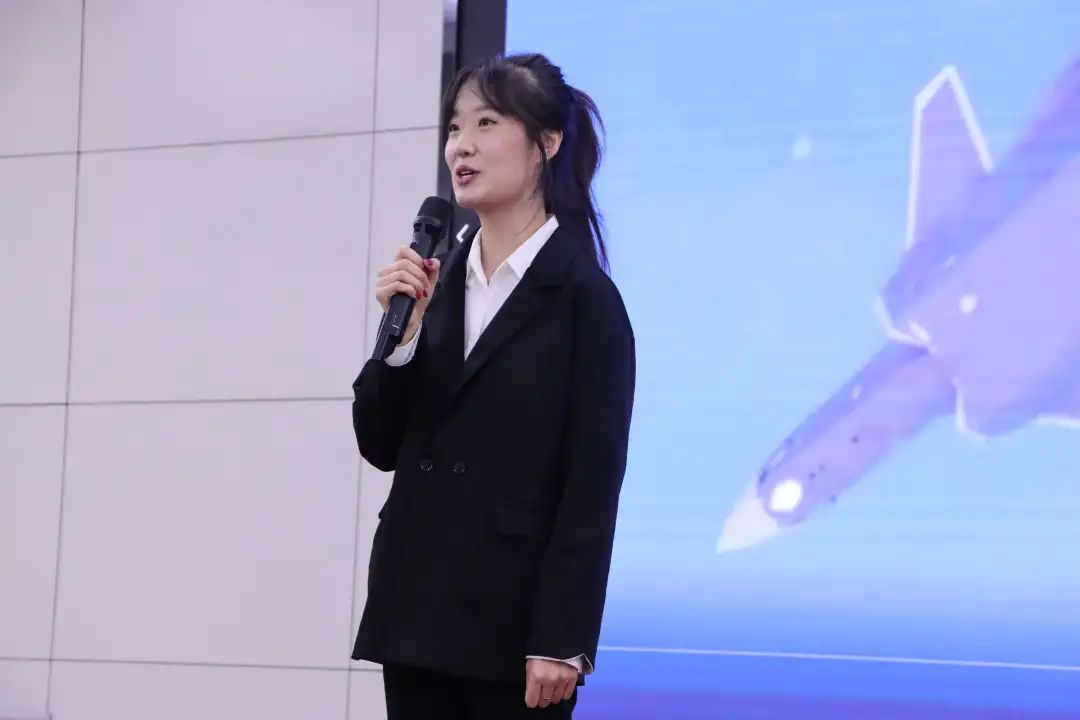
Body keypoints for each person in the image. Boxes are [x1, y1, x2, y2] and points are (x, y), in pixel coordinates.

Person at [350, 52, 636, 720]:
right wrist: (402, 341)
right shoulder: (433, 283)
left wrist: (563, 638)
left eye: (486, 123)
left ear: (546, 143)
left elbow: (591, 484)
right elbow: (379, 444)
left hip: (513, 627)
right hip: (416, 606)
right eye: (454, 127)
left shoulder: (585, 299)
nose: (461, 145)